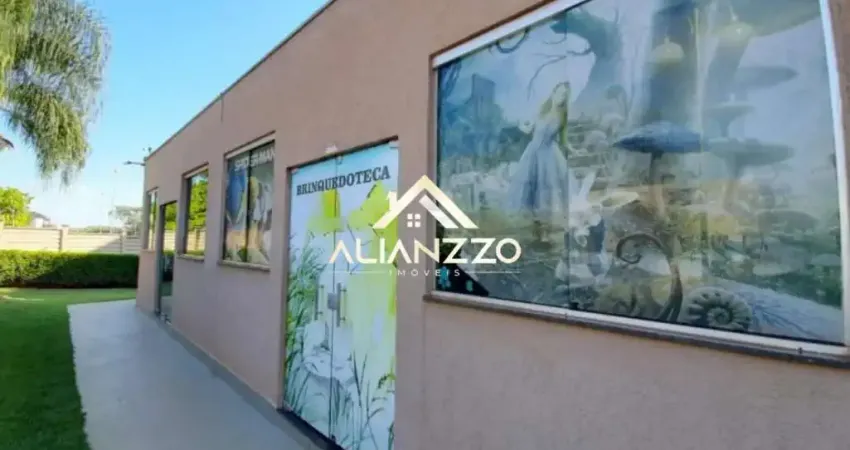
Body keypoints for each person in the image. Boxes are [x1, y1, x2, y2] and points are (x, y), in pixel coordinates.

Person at [507, 81, 578, 246]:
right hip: (533, 153)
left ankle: (545, 231)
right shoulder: (541, 110)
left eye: (564, 95)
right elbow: (529, 129)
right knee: (531, 191)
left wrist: (575, 150)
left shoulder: (562, 116)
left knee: (545, 193)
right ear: (553, 93)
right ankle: (536, 228)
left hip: (549, 156)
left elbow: (564, 141)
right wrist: (521, 126)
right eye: (559, 93)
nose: (561, 97)